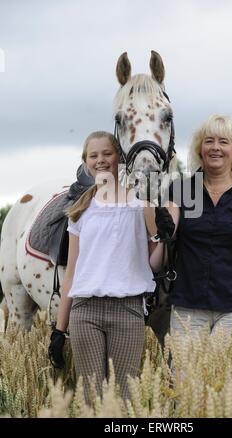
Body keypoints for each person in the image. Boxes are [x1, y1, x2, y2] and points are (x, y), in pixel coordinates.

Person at [48, 131, 156, 401]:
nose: (101, 160)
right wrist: (59, 330)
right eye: (93, 155)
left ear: (119, 157)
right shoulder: (80, 211)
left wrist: (161, 236)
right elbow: (71, 273)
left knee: (124, 399)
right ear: (86, 163)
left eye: (107, 153)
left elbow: (155, 263)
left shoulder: (141, 203)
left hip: (128, 310)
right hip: (85, 312)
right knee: (90, 398)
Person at [150, 114, 232, 341]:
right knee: (184, 377)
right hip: (188, 306)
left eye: (223, 142)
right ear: (200, 149)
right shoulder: (179, 191)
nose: (215, 147)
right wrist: (165, 230)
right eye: (209, 141)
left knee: (226, 377)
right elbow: (165, 242)